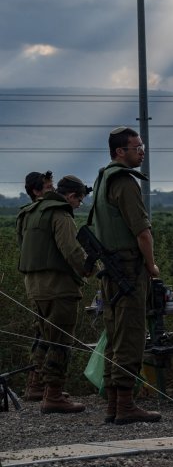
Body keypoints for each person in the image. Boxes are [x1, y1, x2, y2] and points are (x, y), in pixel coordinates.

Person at [91, 126, 161, 424]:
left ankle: (113, 406)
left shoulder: (102, 178)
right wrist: (152, 266)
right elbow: (143, 233)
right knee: (130, 337)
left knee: (115, 336)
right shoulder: (125, 182)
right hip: (129, 270)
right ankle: (126, 405)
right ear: (121, 151)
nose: (142, 151)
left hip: (109, 272)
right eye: (137, 146)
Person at [16, 176, 92, 413]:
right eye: (79, 199)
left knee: (43, 336)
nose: (79, 204)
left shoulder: (29, 211)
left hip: (33, 286)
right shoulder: (61, 214)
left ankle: (36, 385)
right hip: (59, 286)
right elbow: (71, 250)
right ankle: (54, 395)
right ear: (70, 196)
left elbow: (23, 246)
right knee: (60, 341)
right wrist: (91, 271)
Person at [19, 170, 55, 401]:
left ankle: (35, 384)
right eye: (48, 188)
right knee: (49, 334)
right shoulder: (46, 214)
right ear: (36, 191)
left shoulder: (24, 215)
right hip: (47, 282)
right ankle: (43, 386)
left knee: (41, 333)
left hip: (32, 281)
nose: (53, 192)